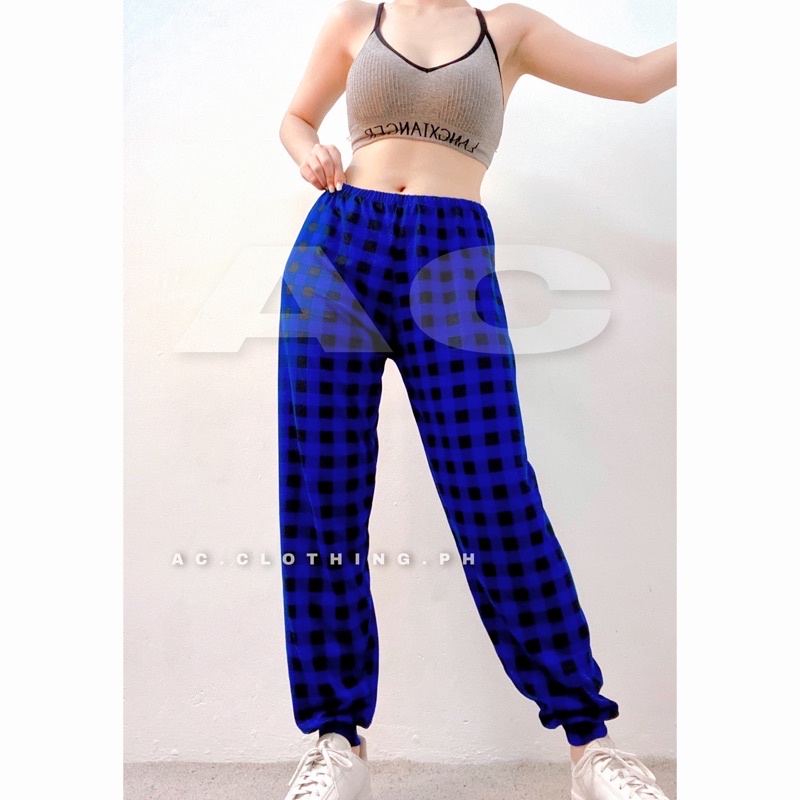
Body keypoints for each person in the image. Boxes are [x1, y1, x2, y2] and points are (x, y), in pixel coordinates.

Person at [276, 1, 676, 798]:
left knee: (497, 498)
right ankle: (337, 741)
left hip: (450, 258)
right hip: (338, 249)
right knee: (321, 499)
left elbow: (636, 81)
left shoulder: (508, 30)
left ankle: (589, 746)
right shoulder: (359, 17)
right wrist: (308, 150)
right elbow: (295, 117)